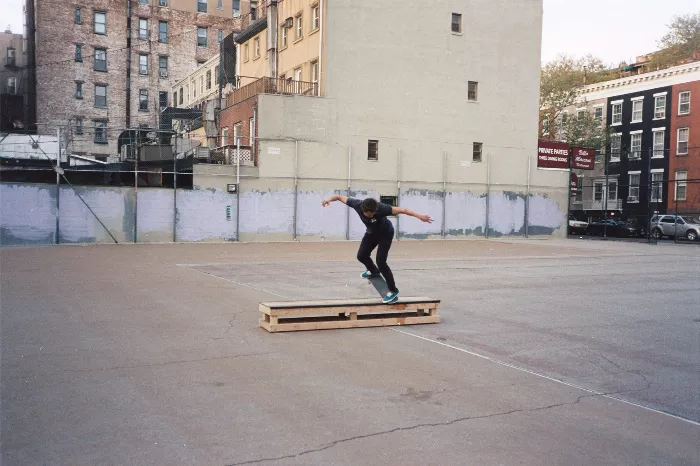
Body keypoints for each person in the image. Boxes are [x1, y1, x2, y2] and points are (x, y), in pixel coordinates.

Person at [321, 195, 433, 303]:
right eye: (368, 215)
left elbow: (404, 210)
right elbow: (339, 197)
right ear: (363, 210)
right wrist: (328, 200)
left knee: (381, 261)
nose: (370, 216)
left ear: (376, 210)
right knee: (361, 256)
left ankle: (393, 290)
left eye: (372, 214)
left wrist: (420, 216)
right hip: (371, 233)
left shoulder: (382, 208)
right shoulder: (357, 204)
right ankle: (373, 271)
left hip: (386, 234)